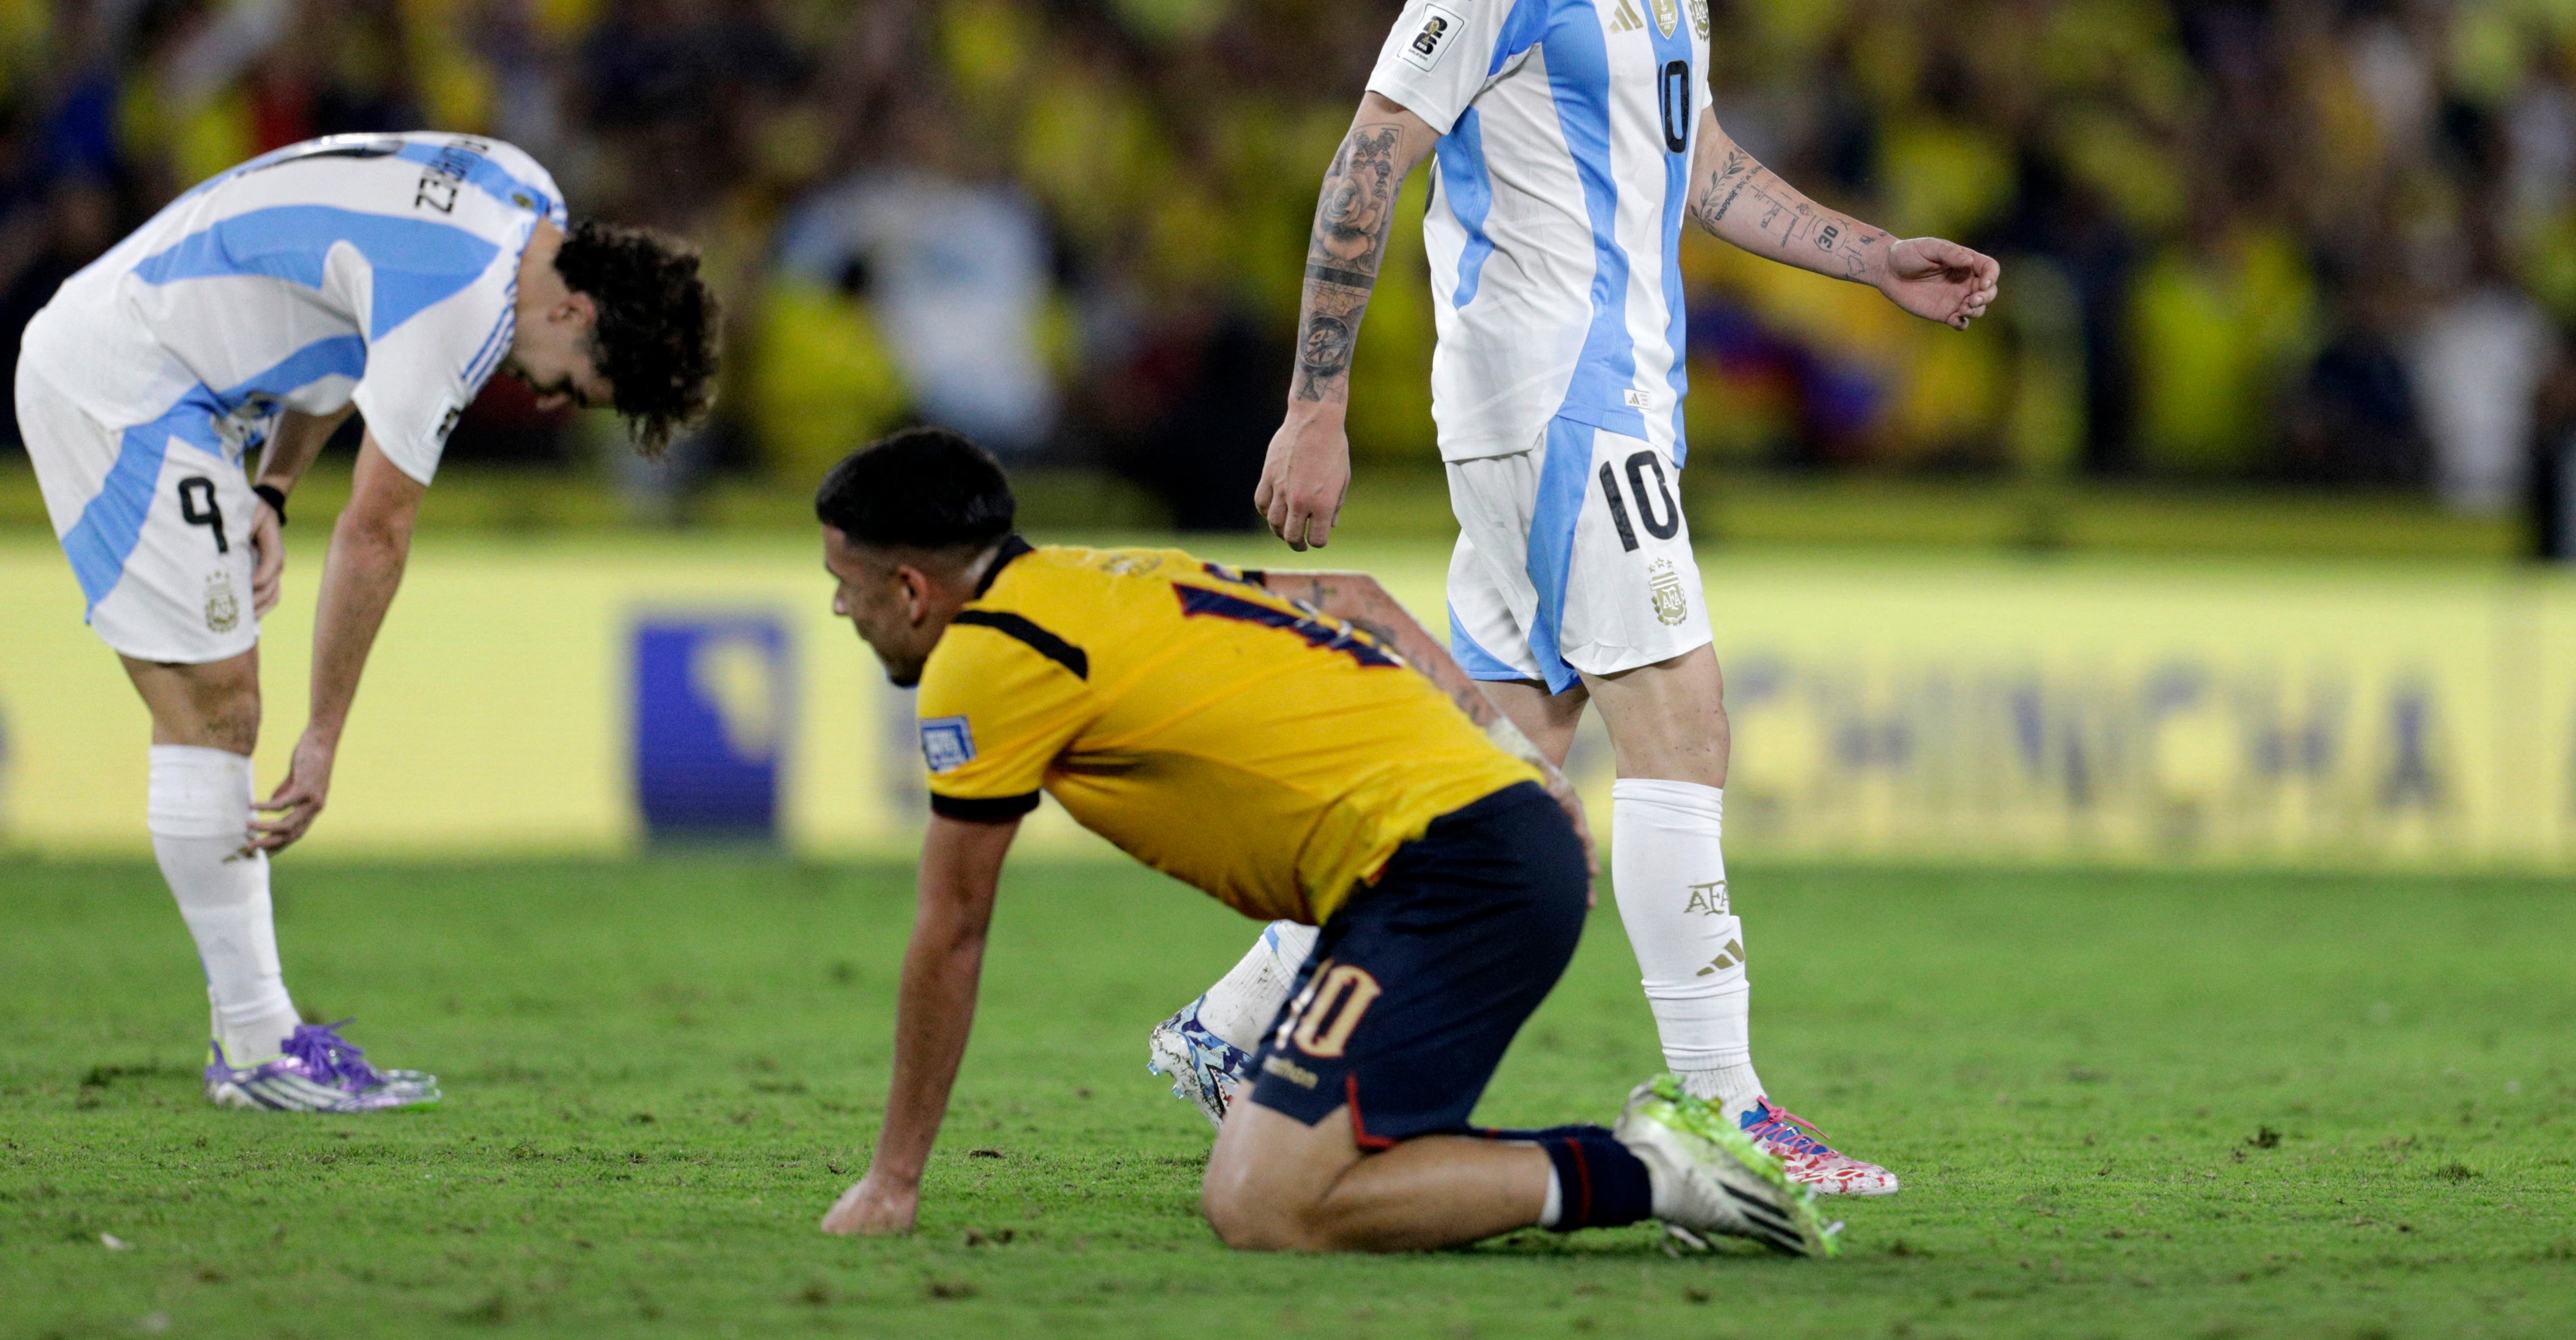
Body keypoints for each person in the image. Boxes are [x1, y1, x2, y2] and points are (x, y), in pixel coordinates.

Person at [1152, 0, 2001, 1197]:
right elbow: (1367, 156)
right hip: (1551, 393)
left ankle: (1239, 1016)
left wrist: (1867, 253)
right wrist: (1312, 406)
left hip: (1602, 399)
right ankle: (1720, 1103)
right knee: (1677, 709)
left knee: (1500, 769)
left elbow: (1695, 161)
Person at [812, 427, 1837, 1257]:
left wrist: (894, 1179)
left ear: (910, 590)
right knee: (1268, 1186)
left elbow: (952, 928)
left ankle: (1666, 1170)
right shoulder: (1106, 575)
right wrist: (1522, 767)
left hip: (1447, 872)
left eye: (845, 582)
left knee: (1263, 1207)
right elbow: (1354, 599)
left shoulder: (981, 663)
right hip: (1459, 853)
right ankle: (1637, 1162)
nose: (838, 605)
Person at [13, 132, 719, 1110]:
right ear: (575, 307)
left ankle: (256, 1042)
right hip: (127, 385)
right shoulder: (466, 310)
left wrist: (272, 488)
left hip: (172, 377)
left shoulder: (523, 197)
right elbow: (377, 531)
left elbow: (346, 326)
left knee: (215, 705)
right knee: (216, 710)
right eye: (569, 381)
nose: (543, 395)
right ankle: (257, 1048)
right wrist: (325, 735)